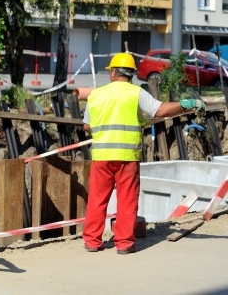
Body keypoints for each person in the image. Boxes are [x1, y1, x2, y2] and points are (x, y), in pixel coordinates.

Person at [82, 52, 204, 254]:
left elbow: (87, 126)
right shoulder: (136, 93)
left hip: (101, 157)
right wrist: (186, 105)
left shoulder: (96, 94)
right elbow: (161, 110)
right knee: (127, 200)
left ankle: (92, 242)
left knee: (97, 199)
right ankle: (124, 244)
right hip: (127, 158)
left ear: (113, 73)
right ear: (130, 74)